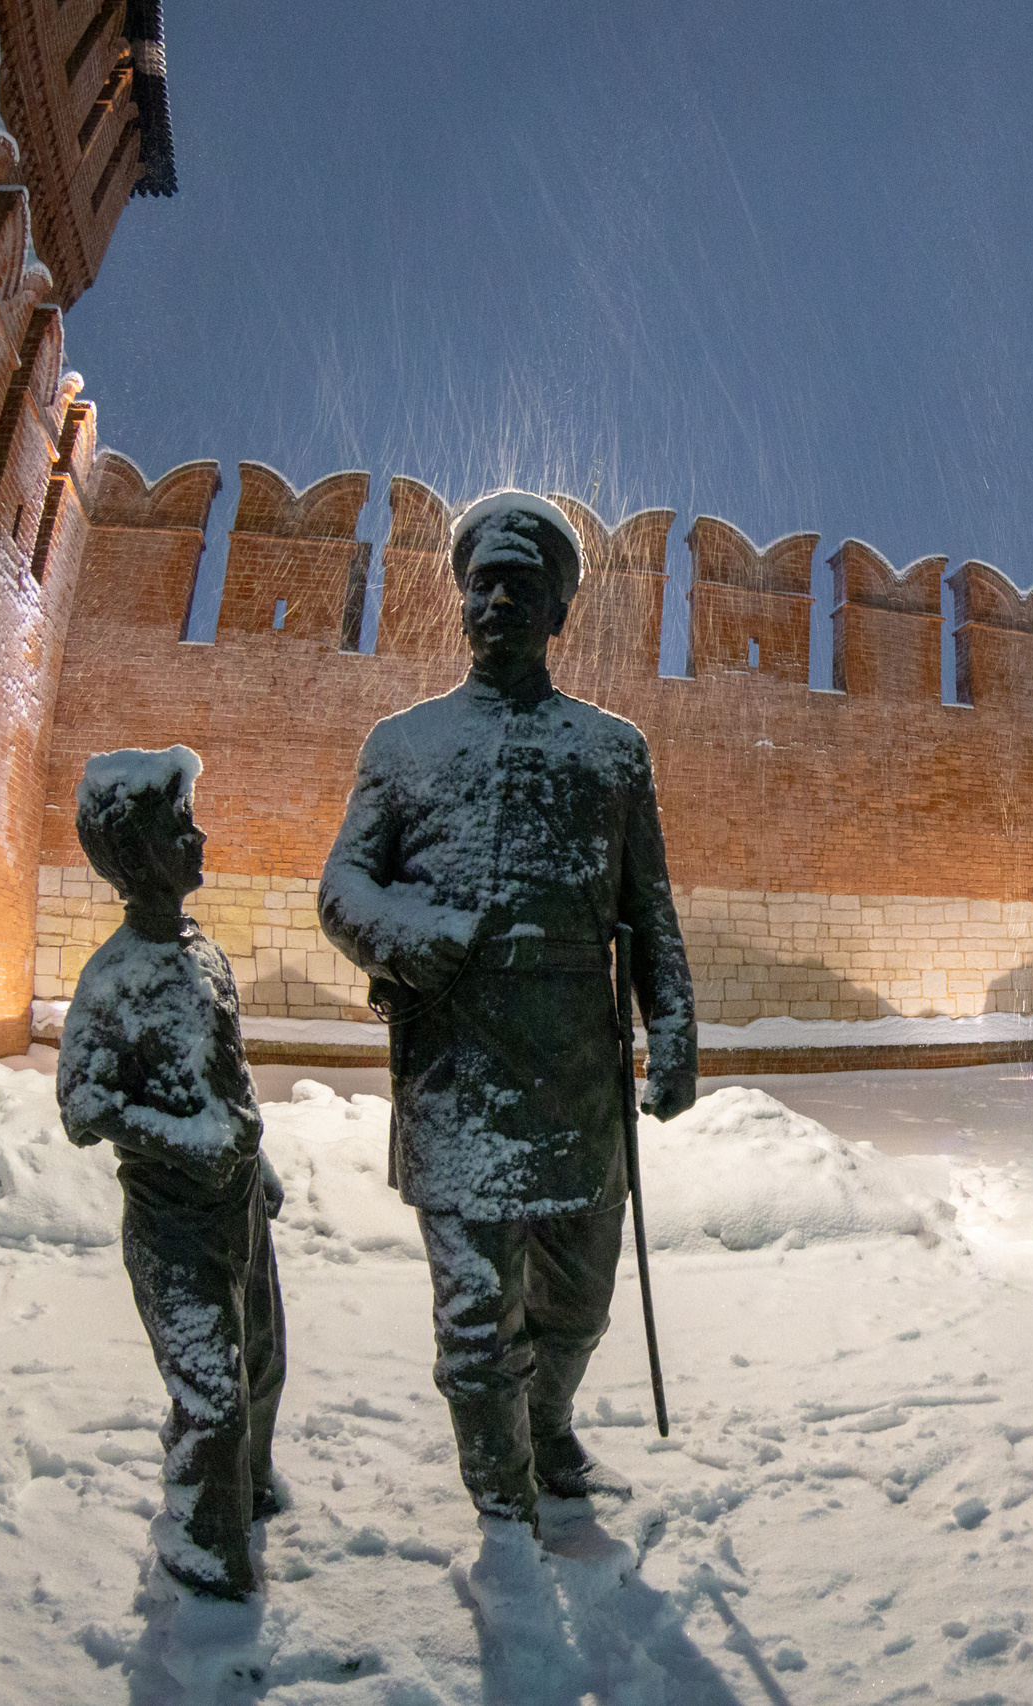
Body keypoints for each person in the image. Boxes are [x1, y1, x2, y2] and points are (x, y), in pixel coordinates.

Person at [318, 490, 696, 1538]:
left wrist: (674, 1037)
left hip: (578, 1073)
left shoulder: (611, 751)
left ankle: (549, 1425)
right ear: (459, 599)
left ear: (557, 611)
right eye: (481, 584)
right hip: (458, 1066)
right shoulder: (403, 744)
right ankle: (501, 1504)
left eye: (519, 587)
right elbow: (342, 887)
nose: (495, 601)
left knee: (575, 1302)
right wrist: (410, 932)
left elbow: (648, 907)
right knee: (478, 1321)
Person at [57, 746, 287, 1603]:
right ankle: (203, 1560)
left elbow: (228, 1079)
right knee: (211, 1403)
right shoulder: (112, 981)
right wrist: (183, 1139)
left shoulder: (207, 956)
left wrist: (251, 1160)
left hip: (236, 1212)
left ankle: (247, 1494)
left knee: (260, 1368)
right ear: (135, 852)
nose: (198, 837)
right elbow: (82, 1105)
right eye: (179, 826)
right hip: (170, 1229)